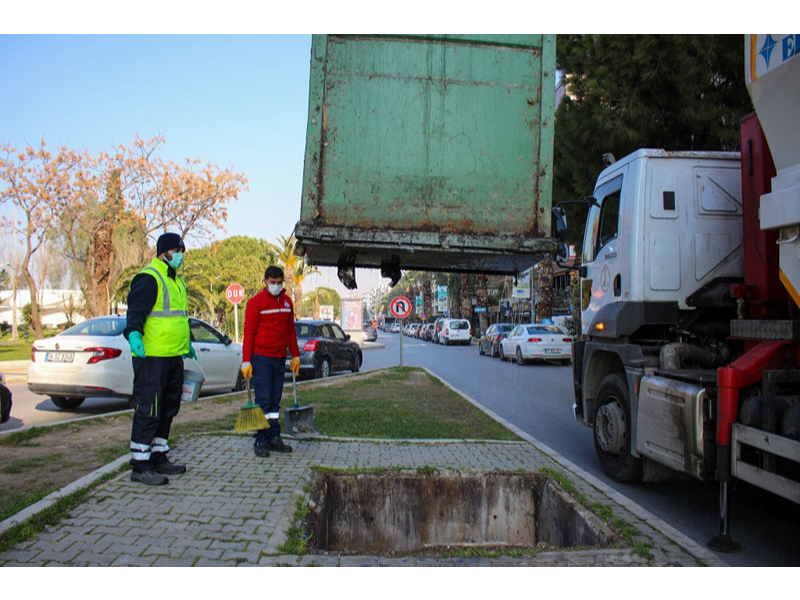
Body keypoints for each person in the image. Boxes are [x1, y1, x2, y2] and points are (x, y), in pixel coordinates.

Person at [124, 233, 197, 486]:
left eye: (182, 251)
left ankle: (159, 456)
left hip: (172, 356)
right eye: (177, 250)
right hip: (151, 358)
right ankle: (140, 464)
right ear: (164, 252)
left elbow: (179, 318)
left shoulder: (177, 282)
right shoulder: (149, 277)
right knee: (149, 410)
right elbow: (136, 311)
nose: (180, 255)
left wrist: (186, 346)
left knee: (168, 409)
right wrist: (134, 333)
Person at [240, 266, 301, 457]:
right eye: (272, 282)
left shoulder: (287, 303)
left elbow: (291, 331)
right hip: (261, 358)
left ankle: (274, 436)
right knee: (263, 400)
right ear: (265, 281)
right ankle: (261, 439)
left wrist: (296, 355)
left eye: (279, 282)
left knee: (275, 399)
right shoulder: (255, 303)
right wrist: (246, 361)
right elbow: (249, 333)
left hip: (279, 357)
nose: (275, 285)